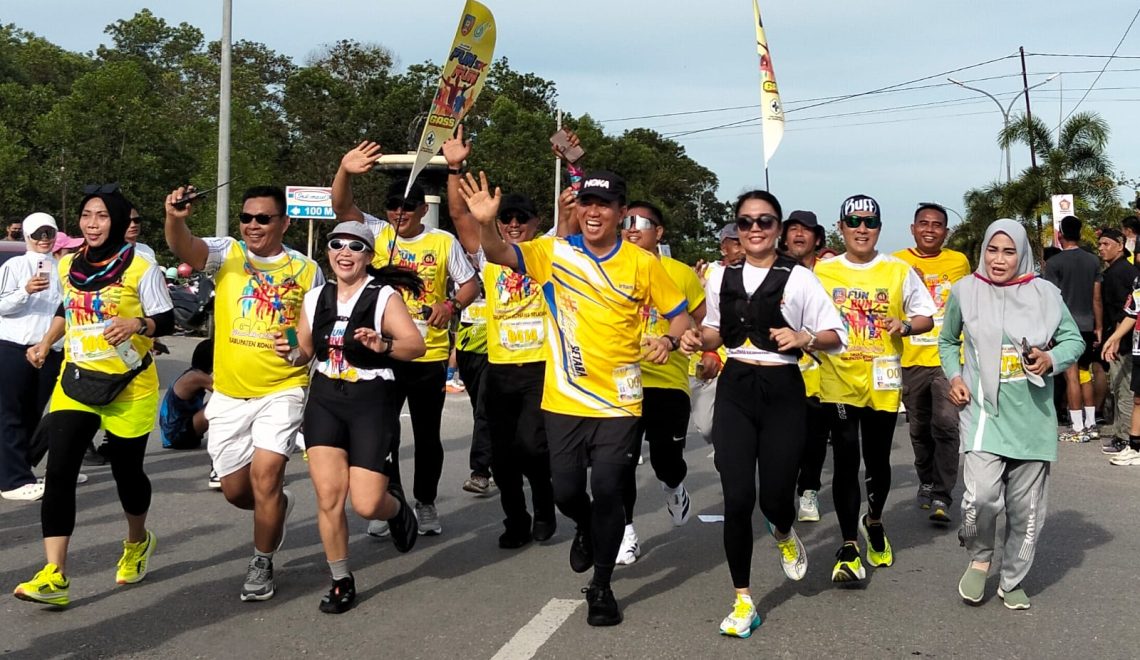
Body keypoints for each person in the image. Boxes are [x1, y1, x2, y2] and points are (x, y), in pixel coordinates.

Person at [462, 169, 691, 627]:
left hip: (620, 402)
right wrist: (485, 222)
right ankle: (584, 527)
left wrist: (667, 339)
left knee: (608, 490)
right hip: (564, 399)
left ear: (621, 214)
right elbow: (499, 252)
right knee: (568, 491)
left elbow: (680, 316)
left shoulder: (644, 264)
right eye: (586, 203)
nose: (593, 212)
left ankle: (601, 586)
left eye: (604, 205)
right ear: (577, 207)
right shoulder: (554, 253)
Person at [682, 192, 845, 638]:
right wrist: (698, 339)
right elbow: (716, 329)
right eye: (746, 222)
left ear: (778, 228)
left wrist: (804, 337)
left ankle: (784, 531)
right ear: (736, 227)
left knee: (774, 498)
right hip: (735, 387)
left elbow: (836, 334)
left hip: (783, 390)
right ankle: (743, 600)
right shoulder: (720, 275)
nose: (755, 229)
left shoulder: (800, 279)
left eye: (765, 221)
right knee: (737, 498)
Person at [164, 184, 324, 601]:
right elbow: (186, 248)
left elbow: (311, 333)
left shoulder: (307, 271)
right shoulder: (227, 255)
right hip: (230, 393)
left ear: (284, 222)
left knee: (267, 475)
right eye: (246, 217)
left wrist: (297, 349)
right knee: (237, 491)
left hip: (283, 388)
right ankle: (275, 509)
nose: (253, 225)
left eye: (263, 218)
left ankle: (262, 559)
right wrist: (175, 219)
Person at [14, 189, 174, 607]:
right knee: (60, 472)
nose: (92, 223)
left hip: (129, 387)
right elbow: (67, 309)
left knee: (127, 475)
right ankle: (55, 574)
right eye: (86, 215)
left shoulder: (143, 267)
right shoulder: (67, 264)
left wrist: (137, 322)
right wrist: (45, 343)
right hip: (77, 381)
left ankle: (138, 541)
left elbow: (168, 319)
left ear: (118, 221)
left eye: (102, 216)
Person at [333, 141, 479, 537]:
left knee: (428, 436)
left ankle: (426, 502)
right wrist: (345, 171)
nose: (399, 213)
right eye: (393, 206)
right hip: (381, 353)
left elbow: (470, 283)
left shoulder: (441, 242)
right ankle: (389, 500)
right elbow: (342, 207)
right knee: (382, 433)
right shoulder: (377, 234)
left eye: (407, 207)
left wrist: (449, 306)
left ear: (421, 210)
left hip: (427, 355)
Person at [279, 221, 426, 613]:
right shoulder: (315, 298)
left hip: (371, 401)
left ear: (368, 257)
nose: (344, 252)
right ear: (328, 251)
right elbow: (303, 351)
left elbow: (416, 346)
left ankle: (395, 508)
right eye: (336, 244)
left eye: (355, 247)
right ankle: (341, 579)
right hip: (326, 398)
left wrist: (384, 344)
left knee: (365, 504)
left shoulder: (383, 297)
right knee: (329, 498)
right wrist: (288, 348)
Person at [942, 219, 1084, 610]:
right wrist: (955, 376)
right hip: (984, 414)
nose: (999, 259)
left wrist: (1050, 357)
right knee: (981, 499)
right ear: (983, 250)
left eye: (1008, 251)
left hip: (1032, 417)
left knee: (1026, 509)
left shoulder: (1045, 293)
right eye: (992, 249)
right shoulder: (965, 291)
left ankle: (1012, 578)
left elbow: (1073, 339)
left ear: (1021, 254)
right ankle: (980, 555)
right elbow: (946, 339)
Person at [444, 129, 558, 548]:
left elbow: (583, 217)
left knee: (532, 447)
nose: (512, 225)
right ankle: (516, 520)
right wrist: (454, 166)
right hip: (499, 367)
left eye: (520, 219)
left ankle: (545, 505)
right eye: (506, 219)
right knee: (503, 453)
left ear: (535, 224)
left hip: (541, 369)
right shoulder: (489, 252)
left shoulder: (548, 251)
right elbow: (460, 217)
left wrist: (574, 161)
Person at [814, 194, 935, 583]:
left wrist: (907, 326)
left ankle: (875, 520)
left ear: (879, 228)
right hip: (839, 380)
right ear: (841, 227)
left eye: (869, 223)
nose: (861, 230)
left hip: (883, 380)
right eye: (854, 222)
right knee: (847, 461)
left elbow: (926, 317)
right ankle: (849, 545)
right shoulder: (823, 272)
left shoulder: (898, 270)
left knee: (878, 461)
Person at [614, 201, 706, 566]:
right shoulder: (607, 266)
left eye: (641, 222)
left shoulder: (680, 272)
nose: (632, 228)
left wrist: (707, 353)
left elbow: (703, 320)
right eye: (626, 222)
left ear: (660, 232)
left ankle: (674, 486)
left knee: (667, 461)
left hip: (668, 381)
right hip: (621, 380)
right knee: (619, 461)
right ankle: (626, 532)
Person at [893, 203, 971, 523]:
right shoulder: (896, 262)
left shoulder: (959, 262)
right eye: (923, 224)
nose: (929, 229)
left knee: (947, 424)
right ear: (913, 229)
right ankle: (925, 479)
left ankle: (942, 493)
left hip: (948, 358)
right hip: (910, 359)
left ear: (945, 231)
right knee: (920, 428)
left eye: (936, 225)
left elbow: (968, 306)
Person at [0, 213, 65, 501]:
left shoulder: (63, 268)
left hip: (49, 350)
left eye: (48, 232)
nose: (43, 239)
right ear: (26, 235)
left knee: (33, 413)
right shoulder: (15, 265)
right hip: (13, 346)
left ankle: (19, 470)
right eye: (37, 234)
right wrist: (25, 291)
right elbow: (1, 305)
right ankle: (13, 481)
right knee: (10, 414)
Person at [780, 209, 831, 523]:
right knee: (781, 440)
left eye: (806, 230)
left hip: (822, 370)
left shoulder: (832, 273)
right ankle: (782, 491)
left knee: (813, 439)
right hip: (779, 370)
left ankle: (809, 490)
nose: (799, 235)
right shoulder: (772, 269)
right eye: (793, 229)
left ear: (818, 238)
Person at [1043, 215, 1103, 442]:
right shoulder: (1093, 261)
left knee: (1072, 378)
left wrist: (1047, 330)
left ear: (1060, 235)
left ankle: (1077, 427)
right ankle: (1092, 423)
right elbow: (1096, 298)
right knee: (1085, 374)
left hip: (1064, 327)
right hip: (1088, 324)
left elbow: (1050, 300)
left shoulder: (1055, 264)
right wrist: (1098, 326)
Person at [689, 224, 745, 445]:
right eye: (737, 243)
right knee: (706, 426)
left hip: (741, 359)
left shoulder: (759, 273)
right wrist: (700, 287)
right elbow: (696, 317)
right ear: (724, 247)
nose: (743, 249)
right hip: (708, 361)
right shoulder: (709, 274)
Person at [1096, 228, 1138, 454]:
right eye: (1100, 244)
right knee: (1121, 389)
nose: (1102, 248)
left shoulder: (1122, 272)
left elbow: (1130, 311)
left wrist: (1116, 339)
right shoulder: (1117, 271)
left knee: (1125, 390)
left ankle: (1126, 437)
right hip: (1122, 340)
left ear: (1120, 245)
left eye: (1106, 244)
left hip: (1126, 343)